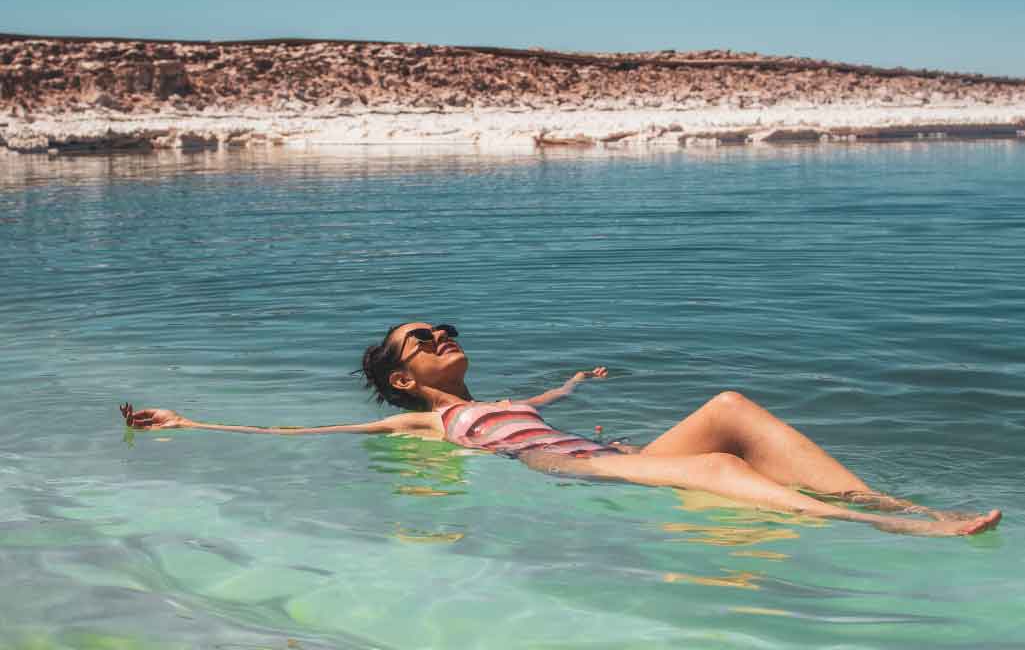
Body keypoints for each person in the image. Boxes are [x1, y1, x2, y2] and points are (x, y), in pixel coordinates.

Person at [120, 321, 1001, 537]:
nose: (440, 337)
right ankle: (898, 529)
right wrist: (192, 420)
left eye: (442, 327)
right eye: (420, 340)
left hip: (612, 456)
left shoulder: (506, 397)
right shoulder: (430, 428)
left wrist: (577, 381)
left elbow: (543, 394)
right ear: (403, 379)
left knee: (730, 407)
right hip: (575, 475)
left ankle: (886, 495)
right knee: (726, 478)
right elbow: (298, 434)